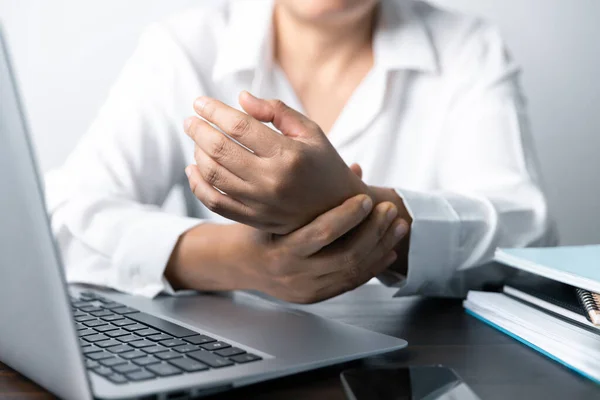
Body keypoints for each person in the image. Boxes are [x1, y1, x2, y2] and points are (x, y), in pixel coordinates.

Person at [45, 0, 556, 303]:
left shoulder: (469, 47)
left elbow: (526, 239)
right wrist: (242, 262)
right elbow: (63, 218)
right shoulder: (185, 45)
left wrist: (347, 200)